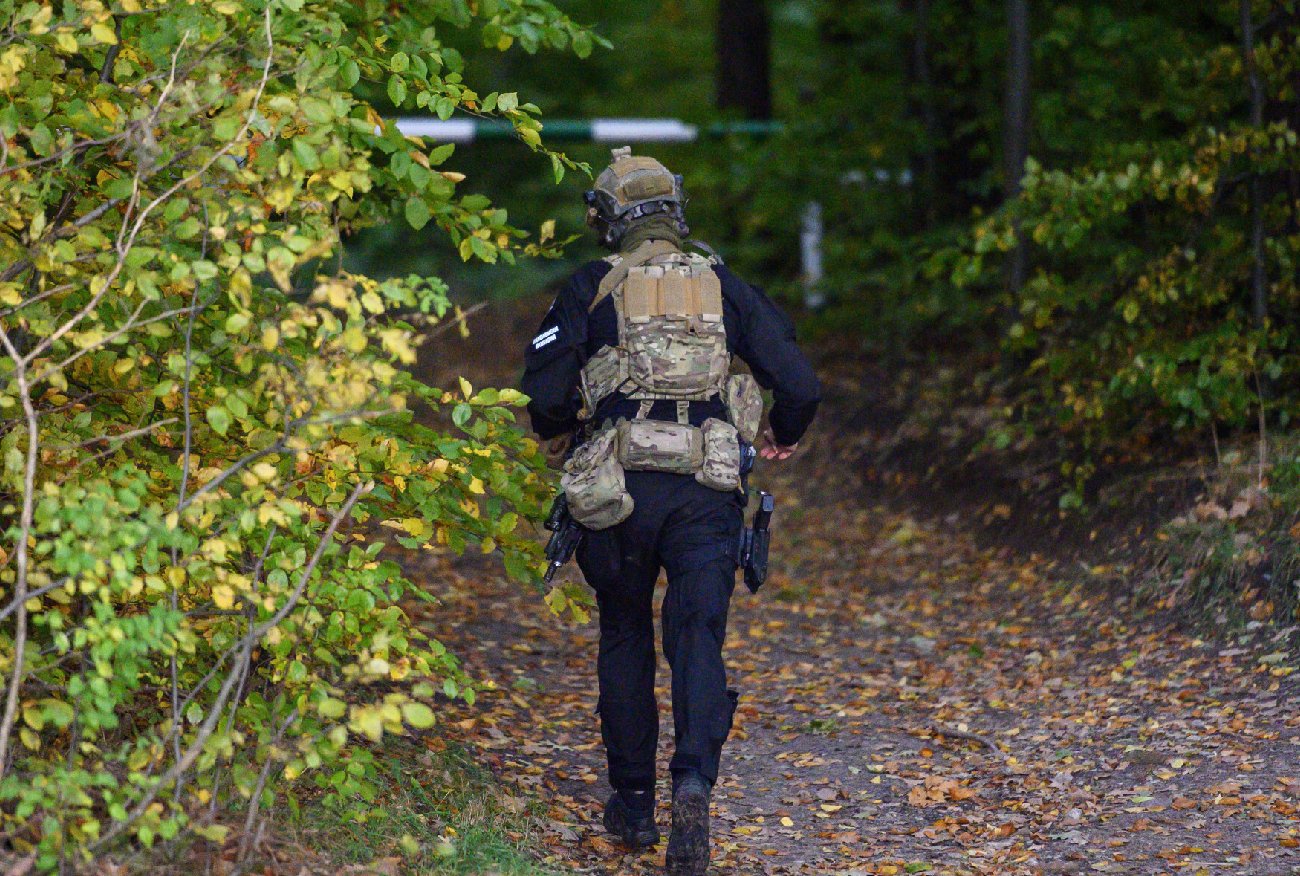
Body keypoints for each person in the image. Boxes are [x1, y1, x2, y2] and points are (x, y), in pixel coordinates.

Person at [521, 147, 820, 875]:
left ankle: (631, 806)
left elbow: (545, 398)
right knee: (695, 636)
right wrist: (781, 430)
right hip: (705, 492)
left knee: (624, 632)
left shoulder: (590, 289)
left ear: (608, 220)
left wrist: (567, 434)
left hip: (617, 490)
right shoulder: (724, 286)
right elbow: (800, 383)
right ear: (674, 212)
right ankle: (692, 783)